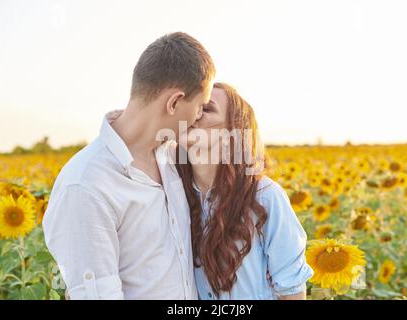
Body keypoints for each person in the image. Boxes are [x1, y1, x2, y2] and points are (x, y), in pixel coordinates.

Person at [42, 32, 216, 299]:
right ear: (174, 102)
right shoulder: (86, 186)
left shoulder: (172, 158)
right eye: (200, 107)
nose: (199, 118)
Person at [176, 83, 314, 300]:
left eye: (207, 108)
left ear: (233, 130)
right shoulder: (174, 194)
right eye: (192, 104)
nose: (194, 113)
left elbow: (292, 291)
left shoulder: (264, 196)